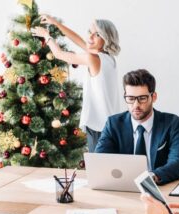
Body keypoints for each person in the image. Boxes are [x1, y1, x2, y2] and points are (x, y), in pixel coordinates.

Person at [31, 15, 121, 152]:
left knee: (99, 168)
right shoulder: (110, 59)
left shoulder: (94, 58)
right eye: (90, 32)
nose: (90, 37)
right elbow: (79, 40)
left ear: (106, 38)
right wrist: (56, 23)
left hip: (99, 127)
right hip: (111, 126)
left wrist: (46, 36)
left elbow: (59, 54)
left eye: (97, 34)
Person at [95, 69, 179, 184]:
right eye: (130, 98)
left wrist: (152, 176)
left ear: (153, 97)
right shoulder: (113, 124)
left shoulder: (174, 124)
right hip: (123, 187)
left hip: (158, 187)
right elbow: (100, 160)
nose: (136, 105)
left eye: (142, 98)